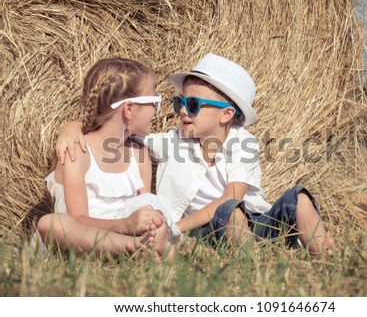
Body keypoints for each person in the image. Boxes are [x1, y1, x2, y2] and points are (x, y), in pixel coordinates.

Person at [57, 53, 334, 255]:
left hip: (253, 224)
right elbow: (116, 123)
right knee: (230, 214)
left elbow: (232, 197)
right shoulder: (171, 142)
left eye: (192, 104)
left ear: (226, 114)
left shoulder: (243, 144)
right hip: (205, 235)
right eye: (180, 101)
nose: (181, 110)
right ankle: (253, 268)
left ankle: (323, 251)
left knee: (296, 197)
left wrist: (176, 225)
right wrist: (72, 128)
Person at [36, 57, 179, 260]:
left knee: (150, 202)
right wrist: (124, 225)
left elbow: (143, 212)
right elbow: (77, 219)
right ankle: (135, 248)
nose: (157, 110)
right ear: (129, 109)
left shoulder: (139, 153)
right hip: (79, 241)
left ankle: (148, 247)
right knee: (49, 223)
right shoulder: (77, 152)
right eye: (155, 102)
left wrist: (148, 223)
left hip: (126, 233)